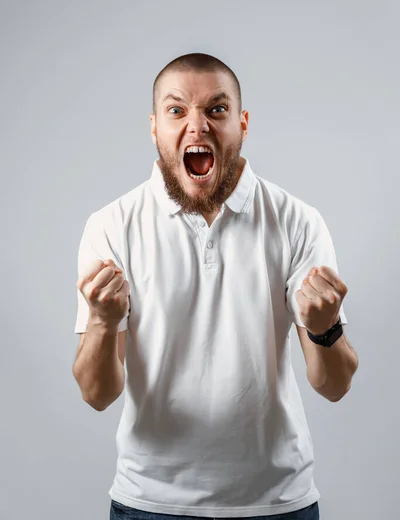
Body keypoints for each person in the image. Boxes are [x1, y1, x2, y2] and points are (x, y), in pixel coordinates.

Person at [73, 53, 359, 520]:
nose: (197, 126)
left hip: (277, 504)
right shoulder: (111, 226)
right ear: (154, 127)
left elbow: (335, 385)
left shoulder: (298, 221)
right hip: (149, 504)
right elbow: (97, 394)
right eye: (177, 110)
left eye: (216, 110)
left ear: (242, 123)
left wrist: (326, 329)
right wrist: (104, 321)